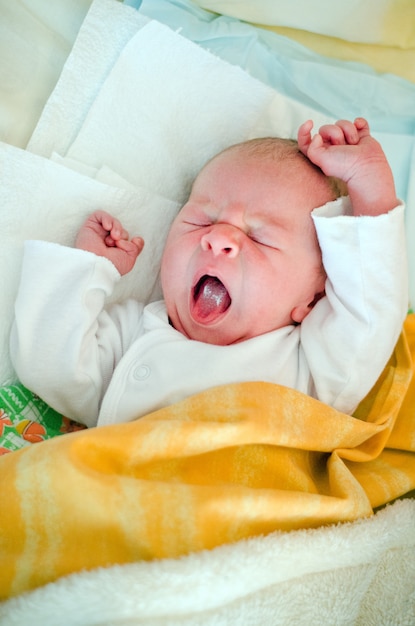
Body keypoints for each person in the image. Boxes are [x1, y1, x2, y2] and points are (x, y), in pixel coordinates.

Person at [10, 118, 408, 427]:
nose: (218, 238)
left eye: (260, 238)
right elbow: (50, 368)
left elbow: (369, 308)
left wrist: (370, 189)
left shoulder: (312, 369)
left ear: (313, 299)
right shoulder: (133, 333)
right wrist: (87, 270)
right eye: (202, 220)